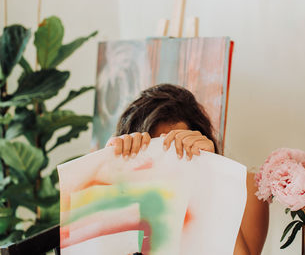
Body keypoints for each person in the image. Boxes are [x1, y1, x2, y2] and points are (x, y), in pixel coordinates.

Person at [106, 84, 269, 255]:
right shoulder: (126, 192)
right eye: (154, 153)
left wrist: (210, 175)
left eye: (176, 152)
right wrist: (111, 182)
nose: (166, 165)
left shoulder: (246, 188)